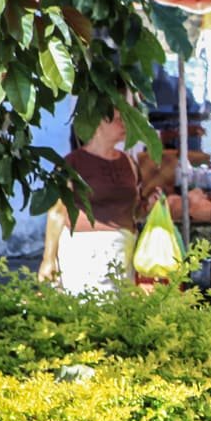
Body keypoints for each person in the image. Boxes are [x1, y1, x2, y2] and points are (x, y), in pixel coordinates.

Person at [40, 105, 154, 294]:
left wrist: (148, 206)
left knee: (117, 312)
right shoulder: (72, 163)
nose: (124, 124)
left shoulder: (129, 162)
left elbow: (134, 211)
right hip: (84, 251)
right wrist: (48, 258)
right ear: (99, 123)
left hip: (123, 250)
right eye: (117, 119)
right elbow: (56, 212)